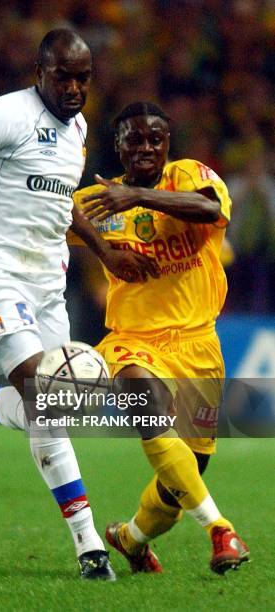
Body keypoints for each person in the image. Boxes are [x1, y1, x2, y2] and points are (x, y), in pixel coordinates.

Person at [0, 29, 152, 581]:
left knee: (58, 407)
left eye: (83, 78)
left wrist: (105, 252)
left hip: (48, 285)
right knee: (43, 397)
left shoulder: (77, 128)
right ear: (39, 71)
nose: (74, 88)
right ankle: (90, 546)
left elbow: (58, 199)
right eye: (63, 76)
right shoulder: (3, 116)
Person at [73, 101, 250, 575]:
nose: (146, 146)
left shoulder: (190, 175)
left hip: (198, 343)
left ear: (167, 144)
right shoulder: (100, 198)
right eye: (135, 138)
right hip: (134, 339)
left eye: (156, 138)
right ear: (118, 146)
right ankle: (220, 530)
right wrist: (105, 252)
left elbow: (209, 209)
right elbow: (55, 216)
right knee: (145, 404)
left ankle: (130, 538)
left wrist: (139, 198)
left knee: (184, 476)